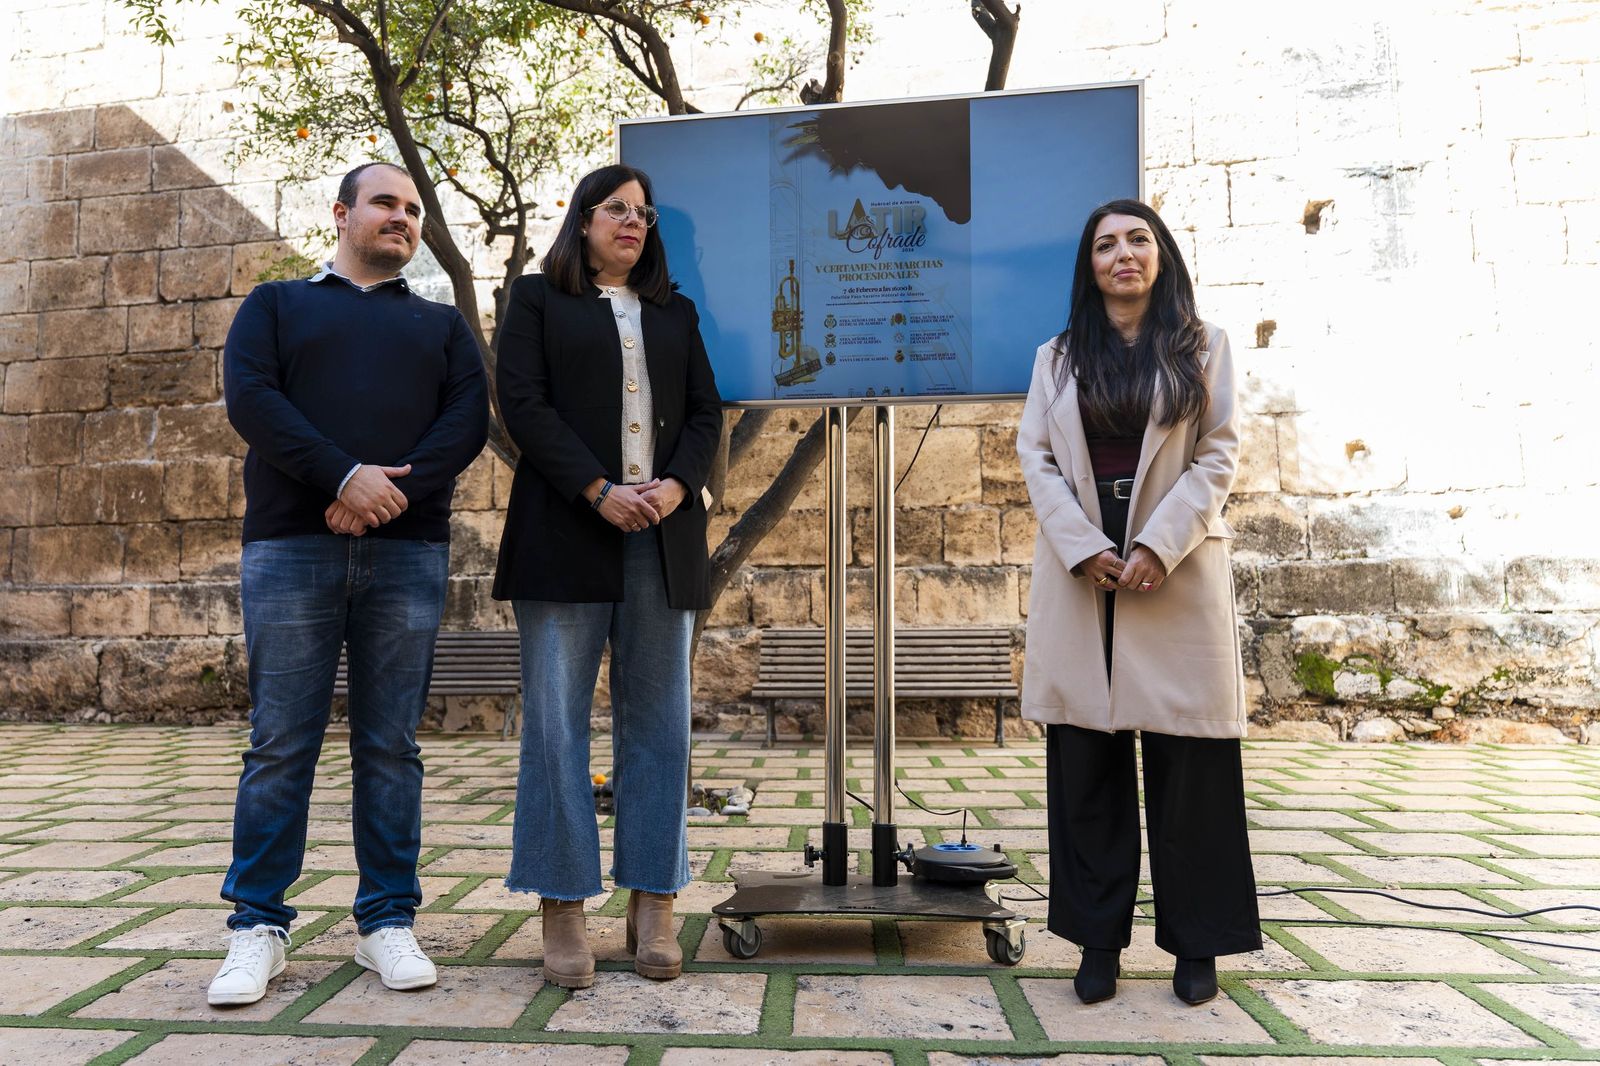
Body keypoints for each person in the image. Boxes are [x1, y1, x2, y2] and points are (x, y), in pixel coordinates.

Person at [210, 161, 489, 1006]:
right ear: (342, 214)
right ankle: (257, 926)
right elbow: (251, 398)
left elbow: (466, 423)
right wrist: (341, 478)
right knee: (280, 743)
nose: (402, 218)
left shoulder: (442, 326)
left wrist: (380, 496)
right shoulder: (277, 306)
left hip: (405, 553)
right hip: (293, 547)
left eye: (413, 209)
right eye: (386, 204)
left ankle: (386, 923)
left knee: (391, 745)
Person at [1016, 198, 1260, 1007]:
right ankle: (1097, 942)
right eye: (1106, 245)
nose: (1124, 254)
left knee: (1191, 762)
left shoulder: (1204, 347)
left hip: (1175, 567)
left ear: (1162, 256)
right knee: (1086, 761)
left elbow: (1219, 451)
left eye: (1138, 240)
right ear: (1089, 266)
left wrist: (1160, 542)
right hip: (1085, 565)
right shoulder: (1056, 357)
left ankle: (1199, 945)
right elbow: (1038, 458)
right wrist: (1085, 546)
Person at [492, 164, 722, 987]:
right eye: (615, 209)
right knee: (556, 723)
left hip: (663, 537)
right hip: (566, 533)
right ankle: (561, 904)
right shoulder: (535, 300)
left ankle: (654, 901)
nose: (633, 222)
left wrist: (670, 487)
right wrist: (597, 489)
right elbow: (522, 404)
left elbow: (704, 413)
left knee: (659, 721)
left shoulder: (675, 312)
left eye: (644, 214)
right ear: (582, 221)